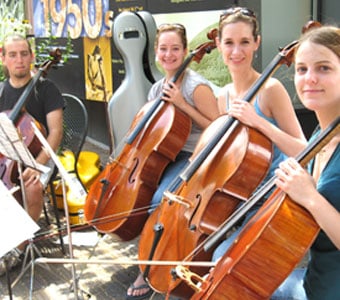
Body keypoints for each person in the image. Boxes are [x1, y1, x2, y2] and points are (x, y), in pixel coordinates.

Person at [126, 23, 219, 299]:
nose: (169, 54)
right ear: (156, 52)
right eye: (163, 49)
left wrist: (181, 103)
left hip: (195, 156)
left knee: (158, 200)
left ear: (186, 50)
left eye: (175, 48)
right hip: (167, 154)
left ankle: (149, 268)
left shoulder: (195, 86)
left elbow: (218, 127)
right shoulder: (156, 89)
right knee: (138, 197)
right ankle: (154, 257)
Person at [211, 6, 307, 262]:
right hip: (242, 196)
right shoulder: (224, 96)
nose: (236, 51)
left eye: (244, 42)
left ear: (257, 43)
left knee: (223, 256)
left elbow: (305, 150)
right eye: (229, 43)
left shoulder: (270, 89)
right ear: (219, 44)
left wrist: (260, 123)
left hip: (275, 197)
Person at [271, 25, 340, 300]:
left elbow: (315, 199)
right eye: (301, 69)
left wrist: (310, 197)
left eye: (323, 68)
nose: (309, 78)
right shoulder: (320, 136)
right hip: (315, 280)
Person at [0, 34, 65, 276]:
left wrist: (37, 165)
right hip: (6, 160)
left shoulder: (47, 89)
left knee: (33, 187)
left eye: (24, 54)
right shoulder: (0, 92)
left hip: (41, 159)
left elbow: (56, 133)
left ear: (32, 57)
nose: (19, 60)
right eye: (13, 55)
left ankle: (17, 248)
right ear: (3, 58)